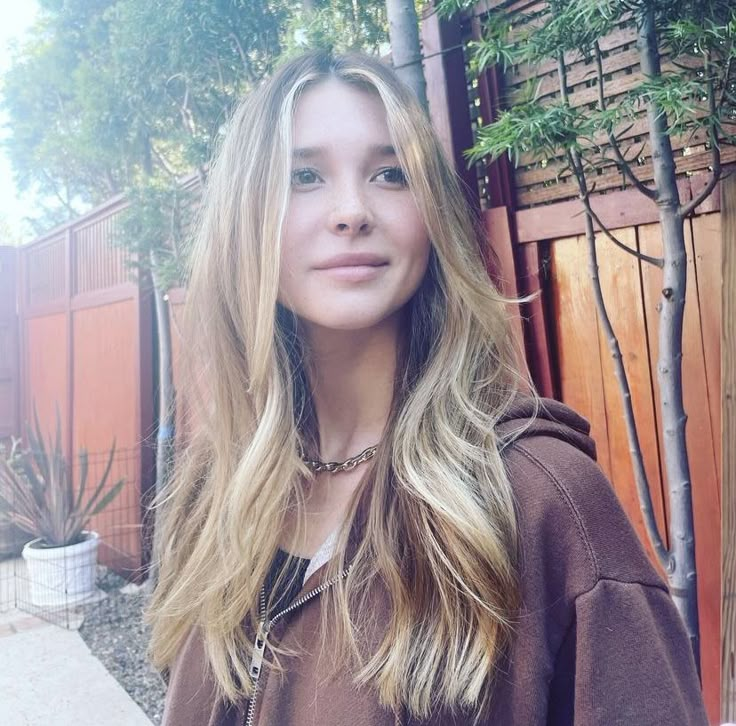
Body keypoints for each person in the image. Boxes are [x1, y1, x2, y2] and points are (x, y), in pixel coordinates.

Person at [145, 50, 708, 726]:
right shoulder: (216, 492)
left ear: (432, 216)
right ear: (244, 219)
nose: (351, 211)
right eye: (304, 176)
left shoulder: (543, 501)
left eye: (390, 174)